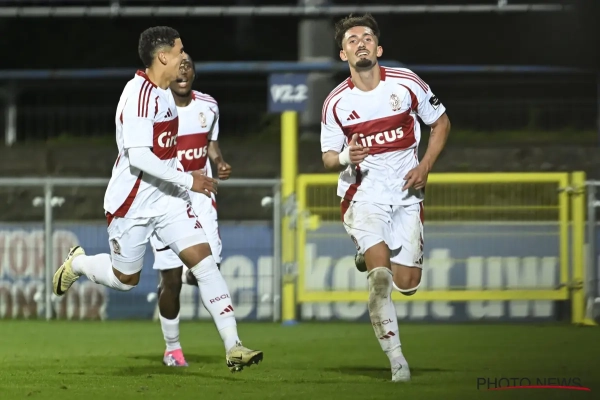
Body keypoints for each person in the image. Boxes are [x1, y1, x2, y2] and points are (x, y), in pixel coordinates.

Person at [52, 26, 262, 373]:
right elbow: (139, 157)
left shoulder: (165, 93)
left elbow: (166, 153)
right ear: (163, 56)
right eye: (179, 51)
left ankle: (234, 346)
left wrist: (185, 182)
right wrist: (189, 179)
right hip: (132, 203)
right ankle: (78, 264)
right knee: (125, 280)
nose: (184, 57)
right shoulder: (138, 95)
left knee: (204, 263)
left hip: (168, 199)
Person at [320, 14, 451, 382]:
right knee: (380, 277)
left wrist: (426, 165)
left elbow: (440, 122)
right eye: (351, 40)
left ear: (378, 48)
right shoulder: (336, 102)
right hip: (363, 196)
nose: (360, 43)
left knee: (407, 283)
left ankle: (369, 254)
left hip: (407, 195)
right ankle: (397, 362)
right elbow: (328, 157)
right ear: (343, 54)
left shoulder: (406, 83)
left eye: (366, 37)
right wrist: (346, 157)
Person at [150, 54, 233, 367]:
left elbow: (211, 143)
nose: (183, 70)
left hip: (201, 199)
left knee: (210, 270)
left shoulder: (208, 106)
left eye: (188, 65)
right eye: (178, 65)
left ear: (194, 73)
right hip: (166, 199)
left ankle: (233, 344)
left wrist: (219, 161)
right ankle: (172, 349)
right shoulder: (155, 109)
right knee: (170, 282)